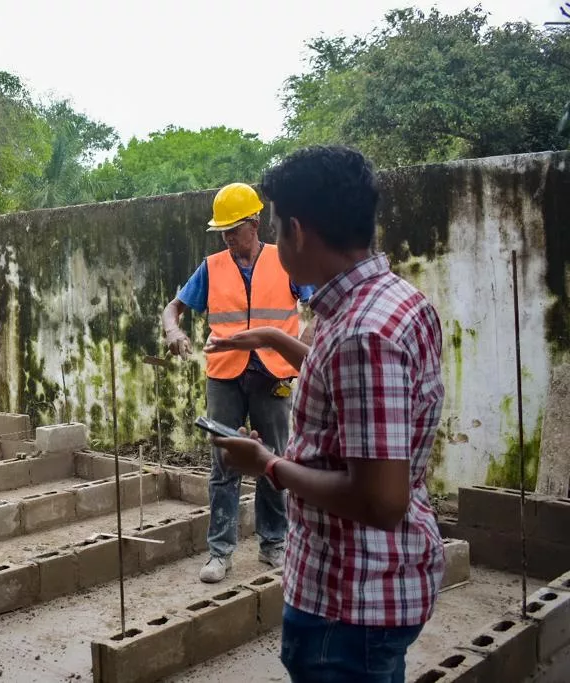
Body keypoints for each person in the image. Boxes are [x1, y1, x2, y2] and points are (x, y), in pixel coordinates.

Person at [208, 145, 445, 682]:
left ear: (296, 229)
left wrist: (267, 463)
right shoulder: (393, 302)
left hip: (349, 600)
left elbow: (380, 501)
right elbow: (350, 387)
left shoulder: (363, 333)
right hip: (373, 586)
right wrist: (271, 337)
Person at [161, 182, 314, 583]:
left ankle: (273, 544)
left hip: (273, 374)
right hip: (225, 375)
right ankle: (220, 552)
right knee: (223, 463)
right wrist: (174, 333)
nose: (229, 239)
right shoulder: (212, 267)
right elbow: (173, 308)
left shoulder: (286, 261)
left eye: (234, 230)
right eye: (223, 232)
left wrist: (301, 347)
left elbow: (322, 307)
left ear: (255, 223)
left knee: (274, 460)